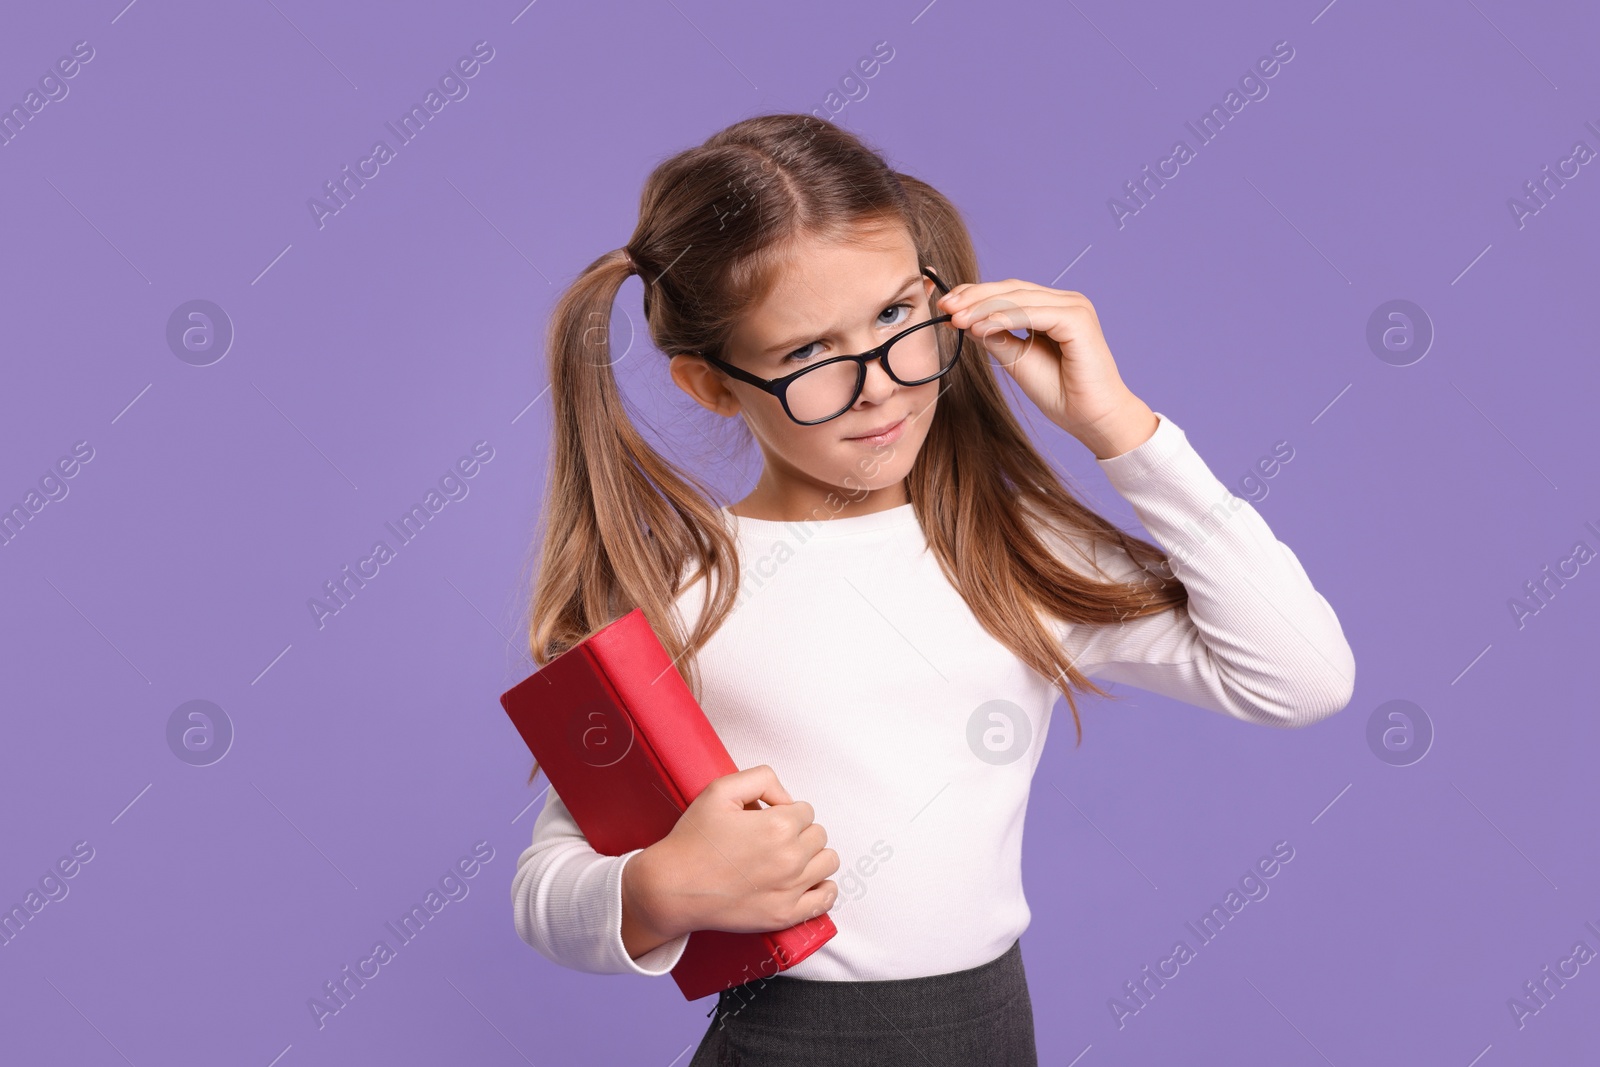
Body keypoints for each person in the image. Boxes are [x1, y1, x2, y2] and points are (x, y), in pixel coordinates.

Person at [509, 112, 1355, 1066]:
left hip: (991, 1033)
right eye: (807, 355)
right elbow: (546, 884)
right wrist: (659, 889)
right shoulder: (684, 598)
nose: (877, 385)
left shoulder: (1009, 553)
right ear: (710, 386)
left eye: (895, 318)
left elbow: (1302, 678)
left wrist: (1120, 427)